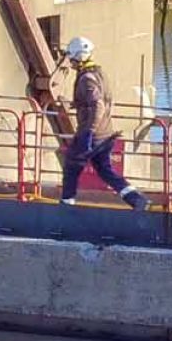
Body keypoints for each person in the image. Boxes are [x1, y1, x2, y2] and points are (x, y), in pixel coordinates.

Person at [60, 36, 150, 211]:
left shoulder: (87, 79)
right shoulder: (99, 73)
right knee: (105, 170)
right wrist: (77, 104)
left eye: (71, 58)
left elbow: (98, 105)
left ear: (79, 57)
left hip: (93, 135)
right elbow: (100, 100)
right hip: (106, 133)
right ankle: (135, 199)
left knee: (71, 166)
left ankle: (66, 205)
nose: (70, 62)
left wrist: (88, 131)